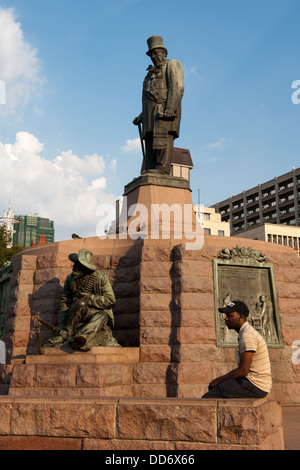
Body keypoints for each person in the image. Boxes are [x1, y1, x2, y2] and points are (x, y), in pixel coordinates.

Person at [49, 249, 120, 351]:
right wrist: (60, 324)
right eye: (75, 265)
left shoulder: (100, 277)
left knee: (104, 315)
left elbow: (110, 300)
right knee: (81, 303)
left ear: (85, 268)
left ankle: (80, 338)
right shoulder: (70, 279)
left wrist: (88, 297)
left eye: (78, 266)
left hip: (97, 312)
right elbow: (65, 302)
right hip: (77, 311)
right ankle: (65, 334)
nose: (74, 268)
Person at [133, 36, 184, 175]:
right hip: (150, 117)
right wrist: (142, 116)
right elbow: (151, 97)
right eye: (151, 54)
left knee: (162, 142)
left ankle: (162, 168)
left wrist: (170, 108)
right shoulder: (149, 74)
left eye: (156, 53)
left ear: (164, 53)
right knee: (150, 146)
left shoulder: (172, 64)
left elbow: (177, 86)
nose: (154, 57)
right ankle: (150, 168)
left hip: (164, 113)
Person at [202, 300, 272, 399]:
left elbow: (243, 370)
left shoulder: (247, 335)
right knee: (220, 387)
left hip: (255, 386)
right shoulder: (246, 332)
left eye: (230, 316)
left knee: (208, 398)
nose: (226, 318)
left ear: (240, 317)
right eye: (225, 316)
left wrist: (218, 380)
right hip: (251, 383)